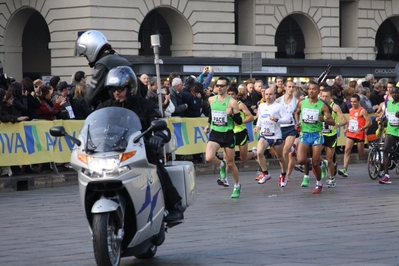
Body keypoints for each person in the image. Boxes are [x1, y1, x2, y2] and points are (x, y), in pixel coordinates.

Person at [96, 65, 183, 223]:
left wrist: (158, 136)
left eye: (121, 88)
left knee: (157, 168)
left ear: (130, 88)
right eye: (114, 89)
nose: (117, 92)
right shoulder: (104, 107)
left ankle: (174, 206)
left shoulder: (145, 105)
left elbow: (162, 127)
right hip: (110, 154)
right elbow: (92, 128)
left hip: (140, 152)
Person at [204, 77, 243, 198]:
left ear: (226, 87)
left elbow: (240, 121)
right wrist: (208, 124)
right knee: (209, 157)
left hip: (228, 134)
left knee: (231, 164)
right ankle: (221, 164)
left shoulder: (232, 102)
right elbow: (211, 114)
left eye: (222, 86)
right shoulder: (211, 99)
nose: (219, 88)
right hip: (215, 133)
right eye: (217, 85)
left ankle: (237, 185)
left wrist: (231, 114)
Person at [294, 81, 335, 194]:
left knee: (315, 164)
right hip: (305, 134)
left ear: (318, 92)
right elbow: (296, 113)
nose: (311, 91)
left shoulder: (322, 105)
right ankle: (320, 162)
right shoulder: (302, 103)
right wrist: (297, 122)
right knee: (301, 160)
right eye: (309, 89)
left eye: (314, 89)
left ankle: (319, 183)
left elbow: (332, 121)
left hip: (317, 134)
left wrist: (324, 120)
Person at [75, 30, 132, 108]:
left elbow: (89, 97)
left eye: (86, 56)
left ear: (90, 51)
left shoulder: (103, 63)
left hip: (113, 111)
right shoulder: (121, 59)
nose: (87, 58)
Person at [253, 87, 291, 185]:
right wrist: (257, 126)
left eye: (270, 94)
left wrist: (277, 120)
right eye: (266, 94)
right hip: (264, 135)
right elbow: (260, 117)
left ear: (274, 96)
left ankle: (283, 174)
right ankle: (265, 173)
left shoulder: (279, 106)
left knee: (280, 157)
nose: (268, 96)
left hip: (276, 136)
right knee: (259, 153)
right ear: (264, 95)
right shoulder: (261, 106)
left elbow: (288, 119)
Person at [319, 87, 348, 188]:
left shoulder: (335, 107)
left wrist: (338, 124)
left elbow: (345, 120)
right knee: (315, 155)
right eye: (323, 96)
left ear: (331, 97)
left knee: (330, 158)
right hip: (320, 134)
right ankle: (322, 164)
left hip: (331, 135)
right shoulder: (318, 106)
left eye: (327, 96)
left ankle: (331, 178)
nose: (324, 98)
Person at [338, 94, 372, 178]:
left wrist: (361, 129)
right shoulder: (351, 110)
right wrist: (348, 128)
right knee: (347, 150)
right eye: (351, 102)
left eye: (354, 102)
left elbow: (369, 123)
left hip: (359, 134)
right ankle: (345, 169)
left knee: (361, 153)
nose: (352, 103)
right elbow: (352, 121)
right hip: (351, 133)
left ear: (358, 101)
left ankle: (371, 150)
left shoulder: (362, 111)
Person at [275, 80, 299, 186]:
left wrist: (298, 122)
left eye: (293, 87)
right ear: (285, 87)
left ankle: (286, 175)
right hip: (280, 127)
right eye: (289, 86)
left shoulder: (297, 101)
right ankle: (284, 171)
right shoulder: (278, 100)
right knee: (279, 154)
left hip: (291, 128)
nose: (291, 89)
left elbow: (299, 114)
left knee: (285, 152)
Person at [226, 86, 254, 163]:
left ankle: (254, 152)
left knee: (243, 159)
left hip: (240, 132)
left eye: (233, 94)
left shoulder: (240, 105)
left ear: (236, 95)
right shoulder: (225, 105)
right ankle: (225, 175)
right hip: (229, 132)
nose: (231, 96)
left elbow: (251, 117)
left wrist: (240, 122)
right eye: (229, 94)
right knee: (227, 158)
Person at [379, 86, 399, 184]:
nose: (395, 95)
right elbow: (387, 116)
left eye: (397, 93)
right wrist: (383, 122)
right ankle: (386, 175)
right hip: (391, 131)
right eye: (393, 93)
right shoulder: (389, 103)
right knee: (385, 150)